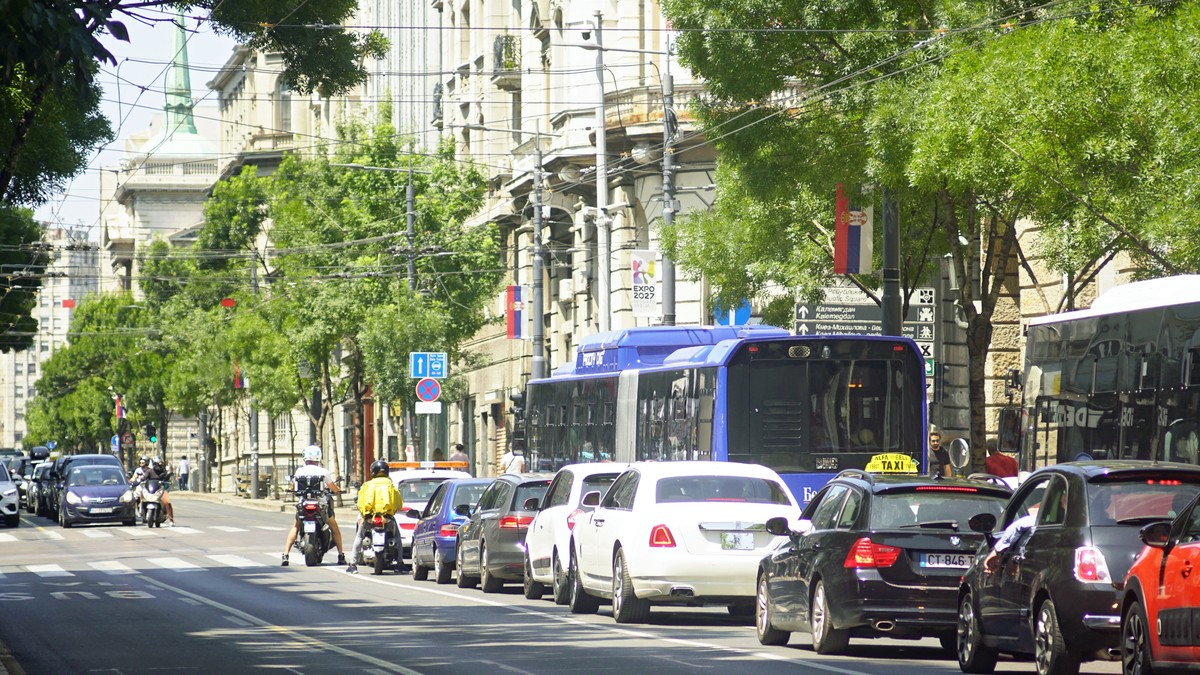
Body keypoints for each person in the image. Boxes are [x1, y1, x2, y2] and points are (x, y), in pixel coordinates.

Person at [281, 444, 346, 567]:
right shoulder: (323, 471)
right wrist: (338, 490)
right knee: (334, 528)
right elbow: (333, 487)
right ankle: (341, 555)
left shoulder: (299, 471)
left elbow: (293, 487)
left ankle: (286, 555)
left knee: (295, 526)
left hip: (303, 504)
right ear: (318, 457)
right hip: (320, 505)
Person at [346, 459, 403, 574]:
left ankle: (353, 564)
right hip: (387, 517)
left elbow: (360, 503)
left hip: (369, 517)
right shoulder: (390, 485)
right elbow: (399, 503)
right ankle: (399, 564)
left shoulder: (366, 485)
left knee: (359, 537)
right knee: (397, 537)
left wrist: (365, 513)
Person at [142, 457, 176, 526]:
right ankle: (141, 511)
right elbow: (144, 478)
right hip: (150, 489)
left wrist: (169, 475)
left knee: (167, 502)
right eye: (156, 464)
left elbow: (167, 478)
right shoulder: (149, 471)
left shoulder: (163, 471)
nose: (158, 466)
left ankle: (171, 520)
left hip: (160, 489)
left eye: (160, 464)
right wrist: (142, 480)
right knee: (141, 496)